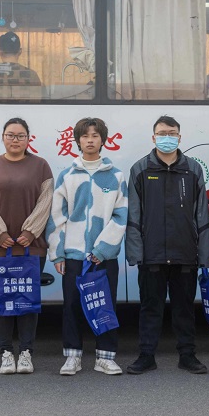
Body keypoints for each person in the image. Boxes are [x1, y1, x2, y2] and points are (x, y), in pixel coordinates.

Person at [125, 115, 209, 375]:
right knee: (150, 308)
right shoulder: (140, 169)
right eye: (162, 133)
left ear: (180, 137)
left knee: (184, 309)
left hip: (185, 252)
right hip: (151, 254)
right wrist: (135, 253)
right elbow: (134, 215)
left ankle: (188, 355)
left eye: (172, 133)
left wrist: (204, 255)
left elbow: (202, 215)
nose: (167, 138)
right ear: (153, 138)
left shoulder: (193, 169)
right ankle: (146, 356)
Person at [46, 117, 128, 376]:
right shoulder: (67, 176)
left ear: (103, 140)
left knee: (105, 305)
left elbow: (121, 215)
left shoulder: (115, 175)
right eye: (85, 136)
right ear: (78, 140)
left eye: (95, 135)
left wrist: (103, 249)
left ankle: (105, 357)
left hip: (104, 257)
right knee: (71, 305)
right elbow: (57, 217)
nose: (90, 140)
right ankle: (73, 356)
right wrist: (57, 253)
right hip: (74, 255)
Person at [0, 118, 53, 374]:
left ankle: (27, 352)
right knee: (3, 300)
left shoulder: (41, 166)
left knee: (29, 299)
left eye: (20, 135)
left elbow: (46, 201)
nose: (15, 140)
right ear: (3, 137)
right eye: (10, 135)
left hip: (32, 246)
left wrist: (30, 231)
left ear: (28, 139)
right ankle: (6, 352)